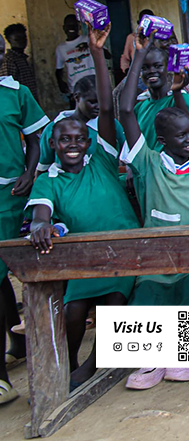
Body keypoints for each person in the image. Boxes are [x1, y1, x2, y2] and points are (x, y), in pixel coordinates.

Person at [25, 23, 138, 389]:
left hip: (123, 251)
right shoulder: (49, 179)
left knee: (115, 307)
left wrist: (96, 52)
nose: (72, 144)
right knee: (73, 312)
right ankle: (69, 363)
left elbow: (106, 106)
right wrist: (40, 226)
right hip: (85, 260)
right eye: (64, 140)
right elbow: (40, 214)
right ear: (53, 144)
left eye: (79, 138)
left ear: (89, 141)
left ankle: (90, 367)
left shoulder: (101, 159)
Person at [117, 32, 189, 389]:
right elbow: (125, 110)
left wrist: (179, 91)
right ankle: (150, 360)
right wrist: (138, 57)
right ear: (161, 141)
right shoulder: (149, 162)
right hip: (157, 254)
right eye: (181, 136)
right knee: (147, 297)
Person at [0, 55, 48, 405]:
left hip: (9, 195)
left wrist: (30, 172)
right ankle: (17, 343)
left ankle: (3, 379)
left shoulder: (15, 93)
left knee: (7, 266)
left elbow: (35, 139)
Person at [37, 76, 126, 172]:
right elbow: (43, 168)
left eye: (103, 101)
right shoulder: (53, 128)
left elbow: (126, 157)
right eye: (93, 102)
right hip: (66, 181)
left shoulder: (112, 125)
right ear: (77, 97)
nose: (99, 107)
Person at [130, 44, 189, 152]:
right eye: (144, 68)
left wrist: (176, 91)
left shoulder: (180, 98)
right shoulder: (140, 107)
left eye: (158, 66)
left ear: (168, 69)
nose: (151, 71)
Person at [55, 14, 95, 102]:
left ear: (79, 27)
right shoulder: (60, 49)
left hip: (93, 84)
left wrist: (90, 46)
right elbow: (58, 70)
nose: (71, 28)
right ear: (64, 28)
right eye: (68, 26)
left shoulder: (88, 39)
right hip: (75, 88)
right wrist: (60, 83)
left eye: (74, 25)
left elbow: (107, 55)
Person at [2, 23, 38, 101]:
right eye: (17, 39)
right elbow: (8, 86)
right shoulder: (9, 60)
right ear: (9, 40)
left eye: (24, 38)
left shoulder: (23, 58)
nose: (22, 41)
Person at [120, 9, 153, 74]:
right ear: (139, 22)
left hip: (154, 72)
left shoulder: (157, 37)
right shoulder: (132, 38)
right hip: (138, 74)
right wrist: (126, 69)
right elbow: (125, 57)